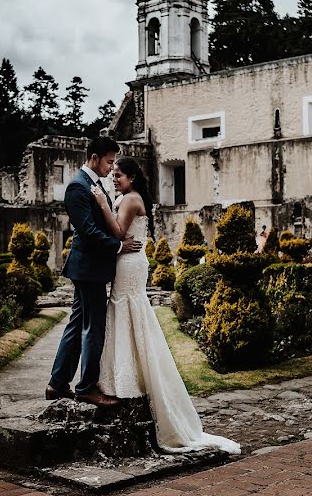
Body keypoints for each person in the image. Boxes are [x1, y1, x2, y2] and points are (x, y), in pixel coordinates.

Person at [90, 157, 240, 454]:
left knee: (128, 310)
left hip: (129, 263)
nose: (115, 179)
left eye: (118, 175)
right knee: (123, 311)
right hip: (127, 260)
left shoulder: (131, 199)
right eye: (114, 175)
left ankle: (130, 379)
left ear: (131, 177)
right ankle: (123, 374)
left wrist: (102, 204)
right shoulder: (129, 196)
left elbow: (119, 233)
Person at [46, 137, 143, 408]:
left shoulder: (94, 184)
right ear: (94, 157)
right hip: (88, 268)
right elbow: (87, 231)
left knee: (77, 324)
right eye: (109, 161)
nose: (112, 168)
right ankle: (86, 388)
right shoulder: (78, 187)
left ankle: (57, 383)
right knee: (93, 327)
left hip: (90, 267)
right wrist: (118, 246)